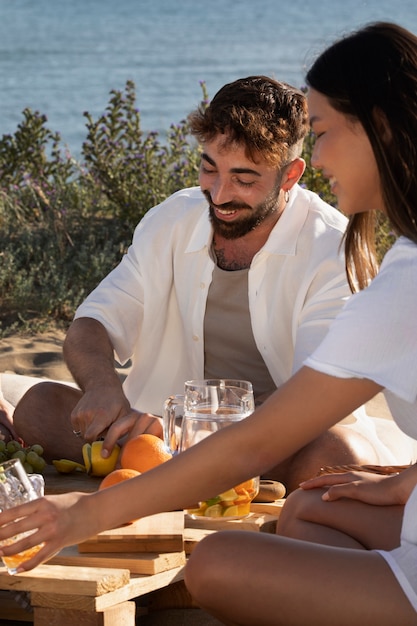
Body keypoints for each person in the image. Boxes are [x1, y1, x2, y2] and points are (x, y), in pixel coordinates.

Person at [0, 21, 416, 625]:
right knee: (305, 514)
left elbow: (267, 436)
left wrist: (80, 516)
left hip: (267, 447)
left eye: (322, 134)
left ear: (376, 130)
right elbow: (94, 321)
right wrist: (407, 482)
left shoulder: (367, 262)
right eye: (209, 170)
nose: (320, 157)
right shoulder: (406, 257)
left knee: (220, 559)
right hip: (174, 440)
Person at [8, 75, 412, 492]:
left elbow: (309, 398)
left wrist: (191, 439)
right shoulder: (172, 218)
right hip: (158, 440)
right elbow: (92, 324)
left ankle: (178, 477)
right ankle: (179, 475)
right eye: (208, 168)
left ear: (290, 176)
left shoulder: (332, 248)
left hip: (277, 443)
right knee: (38, 408)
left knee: (338, 455)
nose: (219, 194)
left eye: (244, 178)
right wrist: (102, 386)